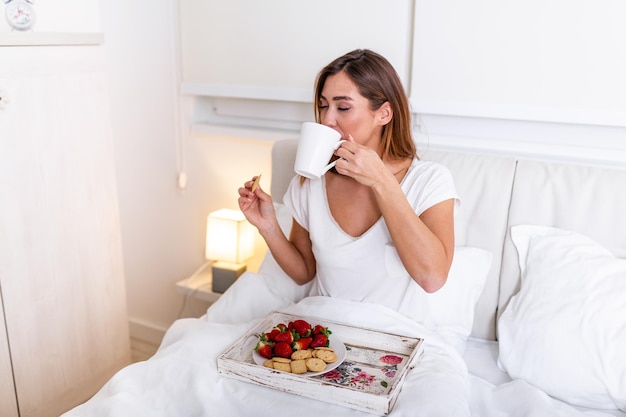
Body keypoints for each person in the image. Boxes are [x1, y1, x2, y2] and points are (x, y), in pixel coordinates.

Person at [238, 49, 459, 317]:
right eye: (323, 106)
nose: (327, 120)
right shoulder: (310, 182)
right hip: (325, 329)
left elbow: (432, 278)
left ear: (384, 114)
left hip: (395, 339)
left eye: (343, 107)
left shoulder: (429, 181)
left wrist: (381, 181)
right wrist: (269, 227)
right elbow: (304, 273)